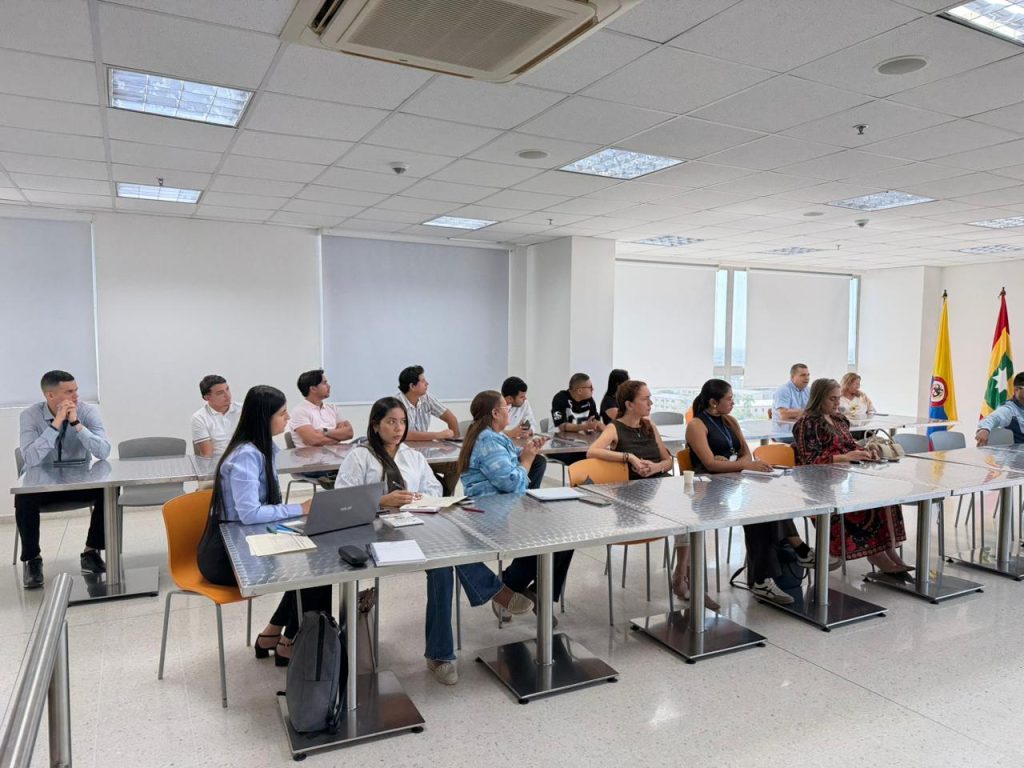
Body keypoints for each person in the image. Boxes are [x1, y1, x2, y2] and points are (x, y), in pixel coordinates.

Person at [335, 397, 530, 685]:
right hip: (373, 533)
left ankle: (439, 656)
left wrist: (419, 498)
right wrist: (381, 500)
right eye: (391, 422)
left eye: (402, 422)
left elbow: (434, 489)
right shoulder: (360, 457)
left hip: (414, 527)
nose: (398, 428)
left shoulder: (412, 456)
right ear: (375, 426)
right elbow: (343, 499)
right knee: (444, 556)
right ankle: (494, 591)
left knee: (443, 563)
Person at [197, 385, 329, 667]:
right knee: (315, 573)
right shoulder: (246, 455)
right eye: (282, 414)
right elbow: (249, 513)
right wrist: (300, 508)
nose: (288, 419)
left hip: (247, 540)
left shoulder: (264, 448)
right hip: (225, 556)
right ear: (263, 418)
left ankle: (274, 635)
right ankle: (289, 642)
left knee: (317, 567)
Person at [587, 379, 727, 609]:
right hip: (632, 497)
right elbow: (592, 451)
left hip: (659, 488)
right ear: (629, 404)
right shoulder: (615, 428)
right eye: (645, 399)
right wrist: (629, 457)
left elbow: (667, 460)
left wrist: (655, 467)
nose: (651, 403)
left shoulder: (649, 425)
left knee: (694, 514)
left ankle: (683, 576)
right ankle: (685, 580)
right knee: (686, 517)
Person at [686, 378, 816, 607]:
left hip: (734, 481)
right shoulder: (697, 425)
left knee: (769, 503)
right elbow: (710, 463)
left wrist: (734, 464)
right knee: (757, 514)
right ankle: (795, 553)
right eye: (729, 399)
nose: (733, 403)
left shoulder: (730, 421)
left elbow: (746, 454)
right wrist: (738, 464)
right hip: (708, 489)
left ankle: (765, 577)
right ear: (713, 402)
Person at [457, 391, 571, 623]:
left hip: (505, 506)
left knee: (567, 535)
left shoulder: (494, 436)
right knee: (550, 534)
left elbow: (510, 458)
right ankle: (514, 586)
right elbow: (510, 483)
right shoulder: (487, 440)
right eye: (505, 408)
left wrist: (529, 450)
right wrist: (527, 460)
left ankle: (533, 591)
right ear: (495, 413)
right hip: (490, 511)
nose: (509, 410)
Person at [792, 379, 911, 574]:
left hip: (845, 478)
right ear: (819, 398)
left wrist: (866, 451)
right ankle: (876, 553)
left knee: (886, 496)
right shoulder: (807, 424)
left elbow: (850, 445)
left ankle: (887, 549)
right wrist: (846, 457)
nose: (837, 403)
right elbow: (810, 460)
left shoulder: (839, 420)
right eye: (832, 399)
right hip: (821, 486)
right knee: (867, 504)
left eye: (838, 398)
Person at [16, 370, 110, 589]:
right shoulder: (29, 416)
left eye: (76, 390)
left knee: (109, 490)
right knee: (23, 497)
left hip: (79, 483)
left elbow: (104, 451)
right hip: (43, 486)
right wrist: (55, 424)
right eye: (69, 392)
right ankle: (32, 560)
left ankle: (91, 551)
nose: (76, 396)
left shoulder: (86, 411)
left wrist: (77, 424)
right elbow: (30, 458)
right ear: (50, 395)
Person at [397, 365, 461, 493]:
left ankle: (448, 497)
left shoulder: (426, 398)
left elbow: (451, 418)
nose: (427, 383)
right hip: (405, 457)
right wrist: (437, 435)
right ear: (412, 386)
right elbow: (405, 434)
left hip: (426, 454)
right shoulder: (397, 404)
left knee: (455, 465)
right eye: (423, 381)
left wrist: (454, 442)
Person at [289, 369, 353, 488]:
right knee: (353, 469)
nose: (329, 386)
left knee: (364, 441)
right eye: (324, 383)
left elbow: (349, 433)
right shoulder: (299, 411)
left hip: (336, 459)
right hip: (313, 465)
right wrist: (338, 436)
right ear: (313, 388)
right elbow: (313, 440)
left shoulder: (332, 408)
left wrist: (325, 432)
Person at [191, 374, 242, 459]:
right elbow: (207, 454)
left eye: (227, 389)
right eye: (220, 393)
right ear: (207, 397)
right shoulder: (199, 418)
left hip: (244, 460)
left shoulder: (243, 409)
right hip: (218, 463)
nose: (227, 395)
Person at [976, 371, 1024, 445]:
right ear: (1016, 389)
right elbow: (993, 418)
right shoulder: (1009, 409)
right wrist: (984, 429)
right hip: (1016, 451)